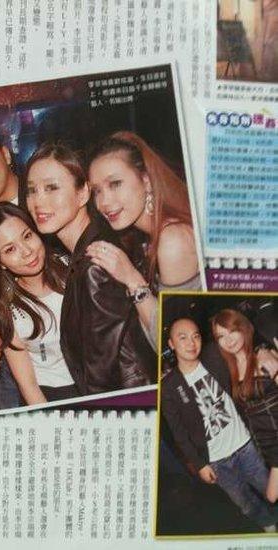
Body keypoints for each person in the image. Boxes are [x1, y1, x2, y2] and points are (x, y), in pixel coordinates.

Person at [24, 142, 156, 395]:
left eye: (51, 188)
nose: (38, 201)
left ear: (83, 193)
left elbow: (101, 377)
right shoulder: (88, 247)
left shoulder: (96, 263)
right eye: (31, 190)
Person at [86, 131, 201, 346]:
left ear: (146, 181)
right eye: (97, 191)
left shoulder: (173, 240)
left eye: (115, 184)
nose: (104, 202)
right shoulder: (147, 237)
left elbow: (170, 344)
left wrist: (132, 279)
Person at [161, 317, 276, 532]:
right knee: (244, 503)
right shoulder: (169, 386)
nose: (191, 343)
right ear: (171, 344)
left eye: (196, 336)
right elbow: (179, 433)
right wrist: (200, 464)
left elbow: (242, 335)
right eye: (182, 338)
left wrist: (262, 349)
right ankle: (269, 525)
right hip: (216, 462)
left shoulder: (213, 356)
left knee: (269, 488)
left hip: (245, 446)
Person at [0, 202, 79, 403]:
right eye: (10, 249)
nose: (27, 251)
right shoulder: (8, 310)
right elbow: (28, 385)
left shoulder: (74, 270)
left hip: (97, 386)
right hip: (50, 395)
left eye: (27, 236)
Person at [212, 308, 278, 503]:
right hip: (264, 444)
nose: (228, 340)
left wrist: (264, 349)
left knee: (271, 496)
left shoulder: (265, 357)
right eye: (221, 336)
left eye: (232, 331)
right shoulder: (231, 367)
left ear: (243, 328)